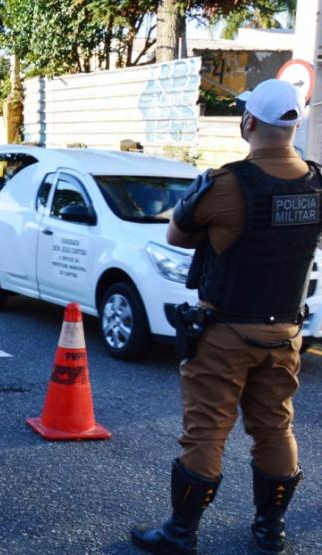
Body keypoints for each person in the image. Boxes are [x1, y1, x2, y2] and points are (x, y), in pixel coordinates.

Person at [131, 79, 320, 555]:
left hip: (226, 332)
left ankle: (180, 533)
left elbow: (177, 235)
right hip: (285, 333)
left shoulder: (228, 183)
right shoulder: (317, 183)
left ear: (249, 122)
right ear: (293, 127)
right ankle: (270, 531)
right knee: (275, 428)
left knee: (207, 430)